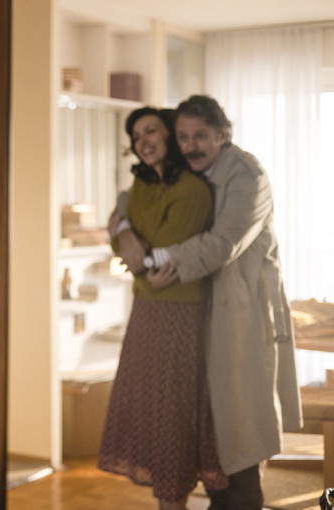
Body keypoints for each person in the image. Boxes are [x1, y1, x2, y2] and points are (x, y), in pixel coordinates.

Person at [112, 95, 302, 510]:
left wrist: (148, 259)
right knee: (210, 438)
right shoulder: (188, 172)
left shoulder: (247, 176)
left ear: (223, 135)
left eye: (201, 136)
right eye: (183, 137)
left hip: (239, 316)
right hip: (197, 312)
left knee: (239, 440)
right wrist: (124, 229)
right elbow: (130, 198)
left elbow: (222, 244)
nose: (191, 145)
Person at [97, 107, 227, 509]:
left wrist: (127, 238)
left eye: (151, 131)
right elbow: (128, 250)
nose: (143, 142)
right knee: (151, 412)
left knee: (173, 415)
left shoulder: (192, 190)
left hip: (180, 312)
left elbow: (153, 258)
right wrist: (124, 234)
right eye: (136, 136)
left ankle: (174, 501)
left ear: (169, 134)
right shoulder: (140, 185)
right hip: (146, 308)